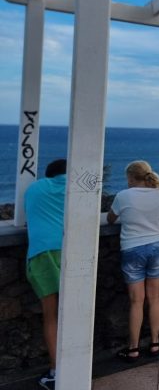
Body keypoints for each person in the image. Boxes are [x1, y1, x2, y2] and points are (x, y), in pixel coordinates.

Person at [108, 161, 159, 361]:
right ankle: (155, 342)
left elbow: (111, 219)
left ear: (131, 178)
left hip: (132, 248)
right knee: (155, 297)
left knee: (136, 301)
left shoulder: (123, 196)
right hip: (157, 246)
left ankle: (133, 348)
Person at [24, 159, 66, 390]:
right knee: (75, 312)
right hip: (72, 249)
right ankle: (78, 364)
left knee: (51, 315)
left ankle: (56, 372)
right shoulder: (76, 187)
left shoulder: (34, 188)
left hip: (42, 252)